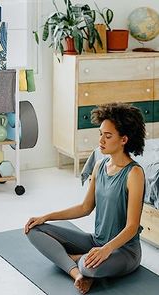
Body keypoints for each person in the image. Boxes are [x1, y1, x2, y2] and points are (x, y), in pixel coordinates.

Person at [24, 103, 146, 294]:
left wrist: (105, 250)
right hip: (96, 241)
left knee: (90, 265)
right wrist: (46, 217)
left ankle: (76, 262)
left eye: (108, 136)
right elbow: (85, 207)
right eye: (100, 134)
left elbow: (132, 227)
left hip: (123, 251)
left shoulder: (135, 174)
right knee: (34, 230)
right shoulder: (99, 166)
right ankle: (77, 273)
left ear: (124, 139)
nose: (101, 141)